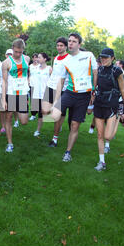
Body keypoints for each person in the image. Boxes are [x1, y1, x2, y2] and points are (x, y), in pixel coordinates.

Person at [44, 33, 98, 162]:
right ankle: (56, 134)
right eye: (69, 41)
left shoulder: (88, 55)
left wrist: (93, 93)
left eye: (74, 41)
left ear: (79, 44)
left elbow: (95, 74)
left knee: (74, 125)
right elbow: (61, 81)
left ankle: (68, 152)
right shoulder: (65, 60)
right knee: (52, 115)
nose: (71, 43)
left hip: (84, 95)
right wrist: (57, 100)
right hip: (69, 93)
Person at [92, 48, 124, 171]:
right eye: (102, 57)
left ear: (112, 58)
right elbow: (95, 86)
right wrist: (92, 98)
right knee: (100, 134)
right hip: (99, 103)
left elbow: (123, 90)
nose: (103, 59)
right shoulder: (99, 69)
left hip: (111, 104)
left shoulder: (117, 71)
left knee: (108, 136)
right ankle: (102, 162)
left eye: (106, 57)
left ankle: (117, 119)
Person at [1, 38, 30, 153]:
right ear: (12, 48)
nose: (18, 54)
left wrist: (27, 80)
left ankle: (17, 112)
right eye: (16, 52)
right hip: (11, 94)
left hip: (22, 94)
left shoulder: (26, 59)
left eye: (20, 52)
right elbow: (4, 81)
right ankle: (10, 143)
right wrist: (3, 99)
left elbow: (27, 73)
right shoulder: (6, 63)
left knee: (24, 121)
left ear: (23, 50)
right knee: (8, 117)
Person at [44, 37, 69, 147]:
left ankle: (54, 139)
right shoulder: (56, 57)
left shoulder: (68, 59)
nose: (59, 47)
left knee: (57, 115)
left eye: (61, 45)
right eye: (58, 45)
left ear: (66, 47)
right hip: (51, 86)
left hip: (62, 88)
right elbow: (54, 72)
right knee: (44, 111)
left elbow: (63, 78)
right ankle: (59, 121)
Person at [30, 53, 52, 137]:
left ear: (45, 59)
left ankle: (57, 123)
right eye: (37, 57)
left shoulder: (49, 69)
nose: (37, 59)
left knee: (46, 113)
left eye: (39, 57)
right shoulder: (35, 69)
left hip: (46, 94)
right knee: (40, 113)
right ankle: (38, 130)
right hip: (37, 94)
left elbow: (53, 80)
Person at [28, 53, 40, 121]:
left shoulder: (40, 66)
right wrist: (28, 82)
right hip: (32, 85)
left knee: (39, 100)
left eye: (36, 57)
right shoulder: (30, 66)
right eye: (34, 57)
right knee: (33, 100)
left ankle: (40, 113)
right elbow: (29, 75)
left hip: (39, 86)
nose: (35, 59)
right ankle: (33, 114)